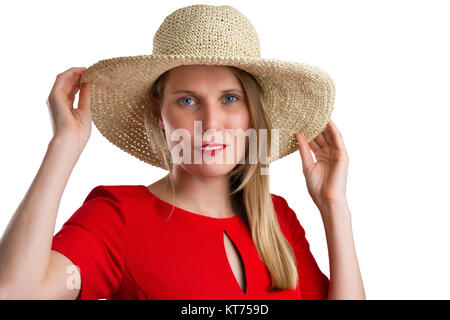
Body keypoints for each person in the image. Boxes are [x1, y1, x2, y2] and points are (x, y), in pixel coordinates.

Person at [0, 4, 365, 300]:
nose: (210, 122)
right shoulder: (119, 218)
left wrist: (334, 207)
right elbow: (16, 292)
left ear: (252, 113)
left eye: (229, 99)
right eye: (188, 100)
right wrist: (63, 146)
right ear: (160, 113)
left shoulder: (278, 217)